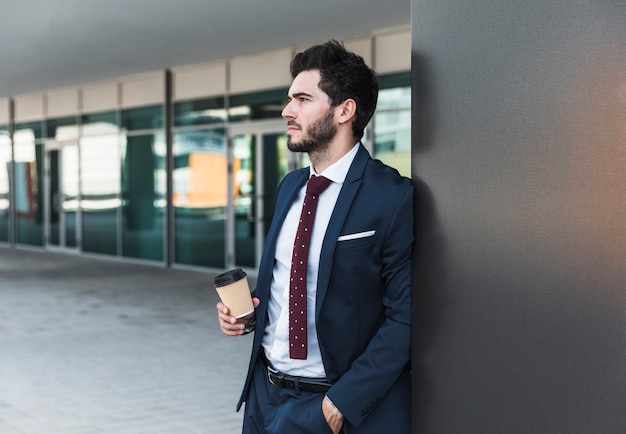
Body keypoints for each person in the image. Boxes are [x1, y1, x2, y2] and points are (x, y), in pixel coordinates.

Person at [217, 40, 413, 434]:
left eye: (303, 99)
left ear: (345, 110)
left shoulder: (392, 197)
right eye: (290, 99)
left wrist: (339, 406)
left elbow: (407, 319)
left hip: (330, 407)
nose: (287, 110)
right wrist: (249, 314)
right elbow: (297, 281)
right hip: (263, 396)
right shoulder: (290, 186)